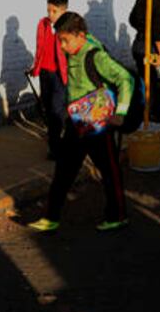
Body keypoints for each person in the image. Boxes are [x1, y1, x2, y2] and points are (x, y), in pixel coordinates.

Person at [29, 12, 133, 233]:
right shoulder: (73, 52)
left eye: (65, 40)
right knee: (63, 171)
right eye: (60, 41)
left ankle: (118, 216)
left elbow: (125, 78)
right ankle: (51, 217)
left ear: (81, 35)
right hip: (77, 123)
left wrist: (121, 112)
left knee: (109, 171)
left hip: (98, 124)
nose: (63, 46)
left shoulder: (95, 55)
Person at [28, 0, 69, 160]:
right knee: (47, 109)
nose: (50, 14)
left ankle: (56, 147)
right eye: (48, 10)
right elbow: (40, 47)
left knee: (56, 110)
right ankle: (54, 140)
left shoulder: (68, 26)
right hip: (45, 72)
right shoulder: (43, 24)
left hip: (60, 74)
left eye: (54, 11)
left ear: (63, 11)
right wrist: (35, 67)